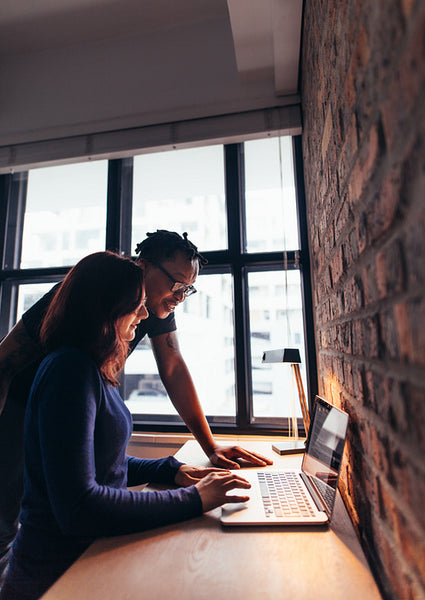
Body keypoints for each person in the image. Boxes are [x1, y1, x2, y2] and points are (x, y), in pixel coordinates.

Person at [0, 230, 272, 581]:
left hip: (74, 400)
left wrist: (207, 449)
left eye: (187, 290)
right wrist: (195, 499)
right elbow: (6, 357)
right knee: (6, 521)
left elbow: (172, 365)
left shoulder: (138, 317)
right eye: (176, 284)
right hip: (19, 405)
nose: (179, 298)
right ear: (143, 267)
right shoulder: (87, 299)